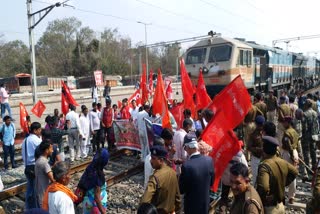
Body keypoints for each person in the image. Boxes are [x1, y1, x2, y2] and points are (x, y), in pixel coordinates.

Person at [256, 136, 298, 214]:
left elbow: (264, 188)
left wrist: (265, 197)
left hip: (269, 208)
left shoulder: (264, 165)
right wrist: (283, 183)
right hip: (281, 206)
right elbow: (295, 172)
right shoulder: (282, 161)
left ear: (264, 149)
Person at [179, 132, 214, 214]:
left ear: (187, 147)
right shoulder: (209, 160)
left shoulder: (186, 166)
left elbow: (181, 189)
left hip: (191, 207)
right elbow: (211, 182)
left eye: (185, 148)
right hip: (205, 204)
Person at [141, 145, 181, 213]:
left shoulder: (155, 178)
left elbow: (145, 201)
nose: (150, 161)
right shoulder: (173, 172)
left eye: (153, 158)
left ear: (161, 160)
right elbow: (177, 197)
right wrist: (177, 210)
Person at [78, 148, 109, 214]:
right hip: (95, 206)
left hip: (87, 202)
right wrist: (103, 212)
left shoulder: (91, 167)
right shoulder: (98, 175)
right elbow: (97, 197)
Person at [22, 122, 43, 210]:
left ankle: (28, 208)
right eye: (39, 129)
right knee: (37, 190)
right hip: (35, 166)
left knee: (29, 189)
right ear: (35, 130)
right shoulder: (37, 140)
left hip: (27, 167)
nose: (40, 131)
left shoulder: (25, 140)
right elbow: (43, 150)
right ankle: (36, 209)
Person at [281, 116, 299, 204]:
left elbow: (288, 145)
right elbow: (297, 144)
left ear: (288, 123)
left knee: (284, 173)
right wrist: (297, 156)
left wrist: (292, 156)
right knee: (293, 175)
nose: (283, 124)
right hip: (294, 152)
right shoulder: (295, 132)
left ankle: (282, 195)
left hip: (288, 153)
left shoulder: (287, 133)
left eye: (284, 122)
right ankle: (292, 196)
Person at [302, 99, 319, 177]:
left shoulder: (305, 114)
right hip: (314, 135)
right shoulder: (315, 113)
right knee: (313, 152)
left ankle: (308, 171)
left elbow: (304, 127)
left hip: (307, 137)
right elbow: (317, 124)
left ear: (306, 105)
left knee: (306, 153)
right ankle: (315, 167)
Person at [35, 141, 55, 208]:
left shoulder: (38, 160)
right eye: (51, 148)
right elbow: (52, 180)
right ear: (46, 150)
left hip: (39, 191)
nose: (52, 151)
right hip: (44, 194)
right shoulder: (45, 163)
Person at [247, 115, 265, 185]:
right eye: (260, 125)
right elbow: (249, 147)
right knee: (256, 179)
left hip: (264, 159)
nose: (261, 127)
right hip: (256, 159)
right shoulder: (253, 135)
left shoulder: (265, 133)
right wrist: (258, 150)